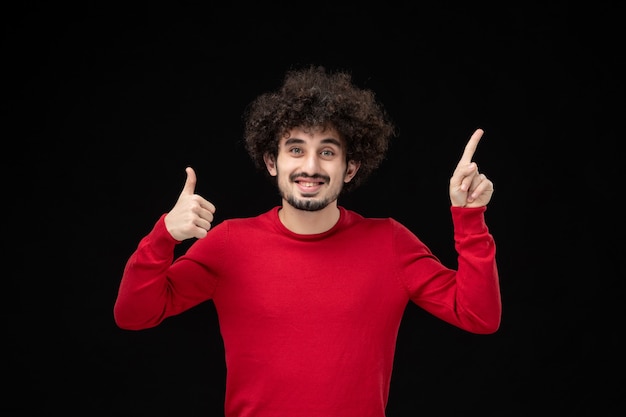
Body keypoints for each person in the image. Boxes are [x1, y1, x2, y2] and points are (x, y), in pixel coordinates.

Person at [113, 65, 501, 417]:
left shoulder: (389, 243)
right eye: (296, 149)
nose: (310, 167)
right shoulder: (230, 244)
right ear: (272, 161)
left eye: (327, 152)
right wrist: (163, 235)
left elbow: (479, 316)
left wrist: (469, 219)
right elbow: (134, 314)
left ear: (350, 167)